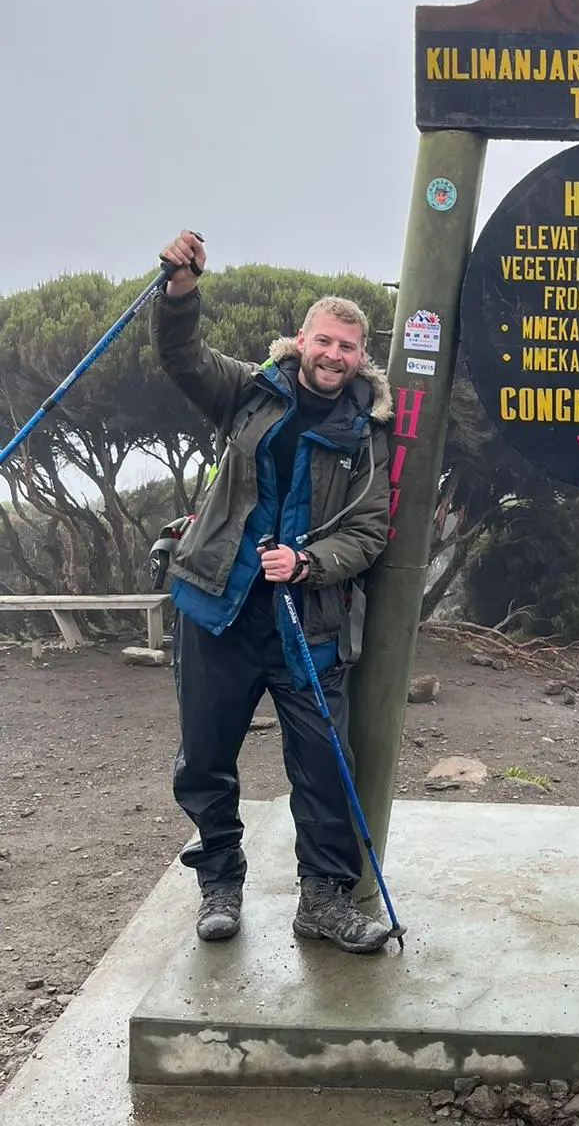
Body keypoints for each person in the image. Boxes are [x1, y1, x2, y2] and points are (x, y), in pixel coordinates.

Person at [151, 230, 395, 953]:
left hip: (307, 618)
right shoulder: (249, 392)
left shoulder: (369, 435)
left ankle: (322, 900)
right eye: (324, 341)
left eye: (348, 348)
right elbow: (180, 357)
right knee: (204, 756)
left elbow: (372, 531)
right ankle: (219, 881)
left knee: (324, 764)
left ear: (361, 358)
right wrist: (180, 293)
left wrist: (311, 561)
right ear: (302, 341)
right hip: (217, 608)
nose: (333, 356)